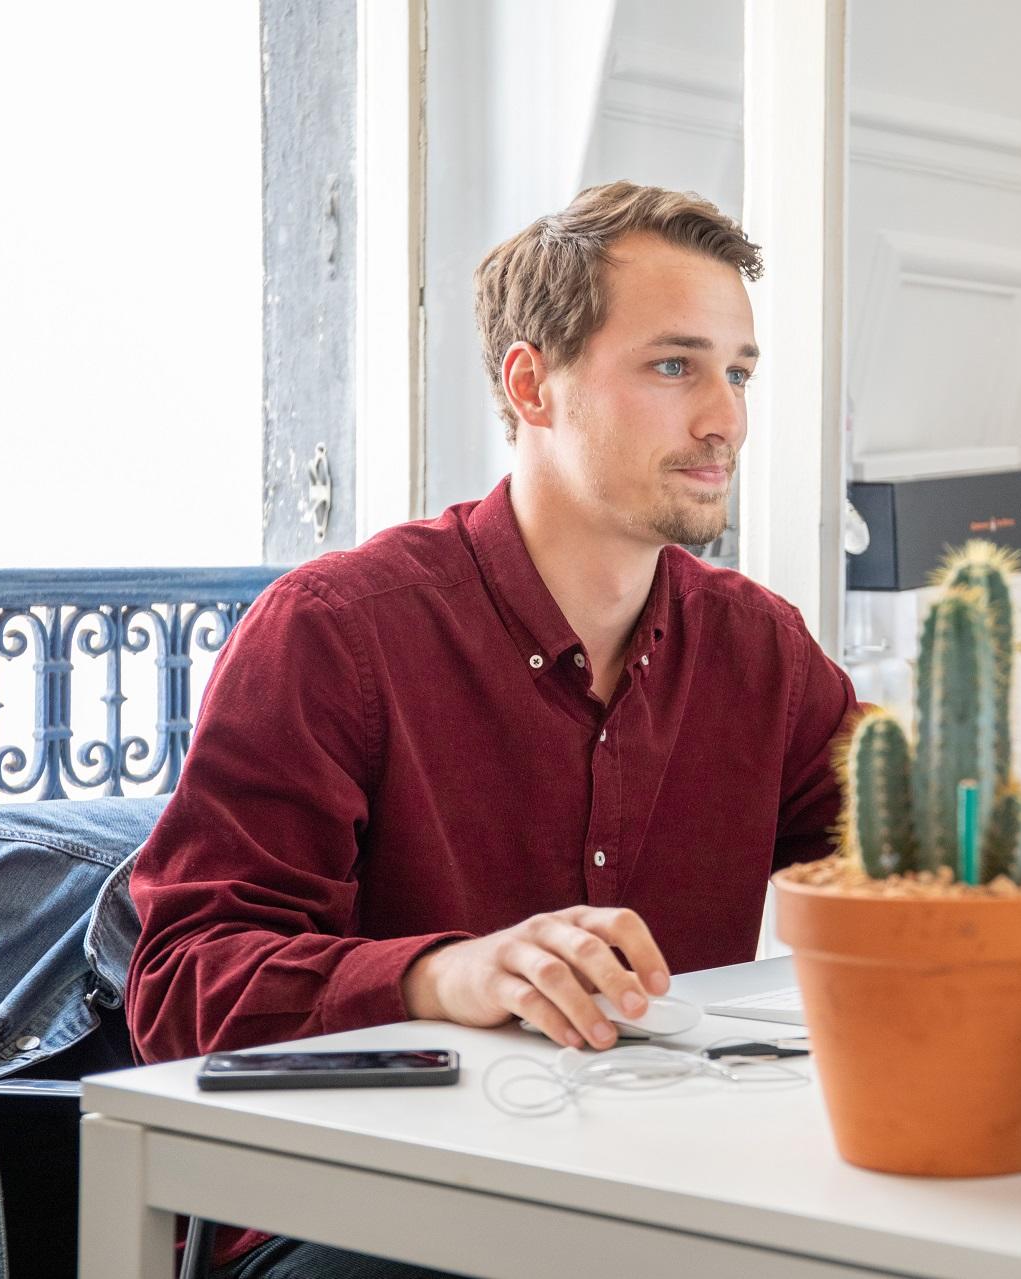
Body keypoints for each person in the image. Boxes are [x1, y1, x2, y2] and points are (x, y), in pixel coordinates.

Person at [126, 183, 862, 1279]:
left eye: (739, 371)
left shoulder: (759, 650)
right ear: (533, 384)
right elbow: (185, 982)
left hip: (648, 1184)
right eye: (676, 366)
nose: (728, 419)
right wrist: (445, 974)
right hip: (358, 1203)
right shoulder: (336, 633)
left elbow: (929, 866)